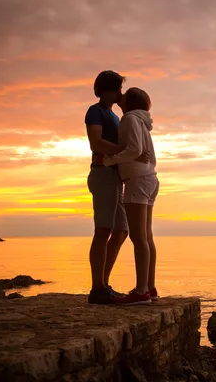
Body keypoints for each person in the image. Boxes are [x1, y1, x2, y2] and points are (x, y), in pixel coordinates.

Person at [84, 71, 148, 304]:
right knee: (103, 230)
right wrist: (123, 150)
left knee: (121, 230)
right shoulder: (95, 111)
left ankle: (104, 283)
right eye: (118, 89)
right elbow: (96, 142)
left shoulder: (115, 116)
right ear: (108, 90)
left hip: (115, 175)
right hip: (102, 173)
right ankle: (97, 288)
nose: (120, 94)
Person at [103, 87, 159, 305]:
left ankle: (141, 290)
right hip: (149, 178)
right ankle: (150, 287)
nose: (120, 97)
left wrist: (108, 160)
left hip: (137, 180)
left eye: (124, 96)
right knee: (147, 236)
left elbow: (134, 150)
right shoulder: (143, 122)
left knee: (138, 237)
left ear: (130, 102)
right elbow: (141, 151)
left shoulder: (128, 118)